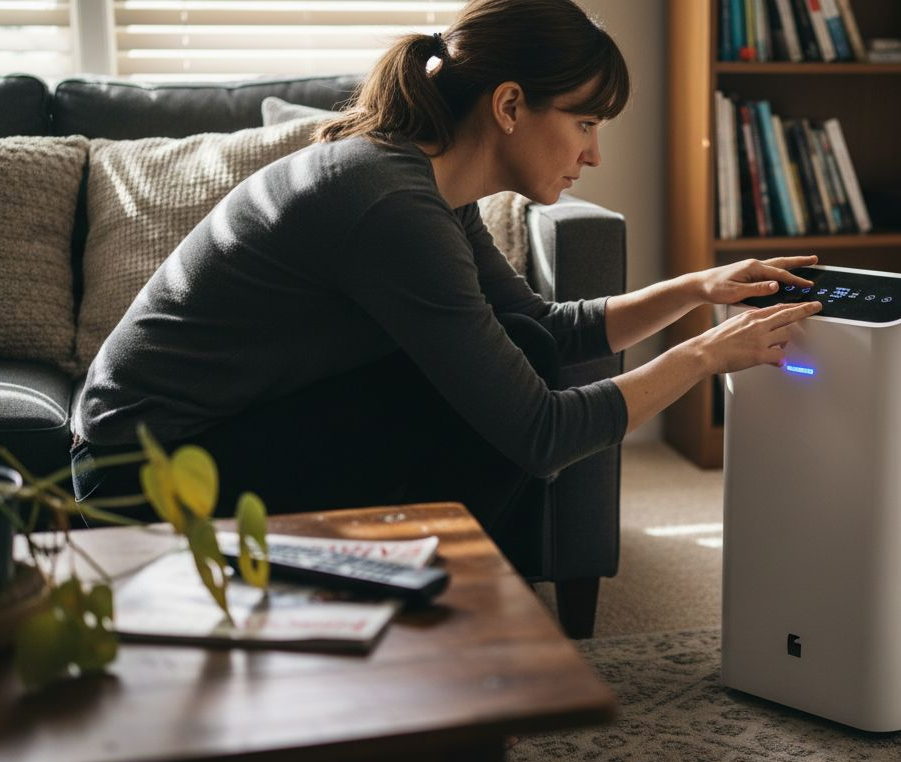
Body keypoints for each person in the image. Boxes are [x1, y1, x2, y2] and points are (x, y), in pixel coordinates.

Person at [71, 0, 823, 540]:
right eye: (585, 123)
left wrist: (698, 290)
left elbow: (549, 329)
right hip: (141, 477)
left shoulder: (425, 187)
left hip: (209, 438)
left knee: (521, 345)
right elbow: (541, 432)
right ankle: (429, 624)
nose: (593, 154)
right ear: (508, 106)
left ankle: (417, 607)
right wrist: (705, 357)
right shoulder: (387, 205)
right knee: (506, 395)